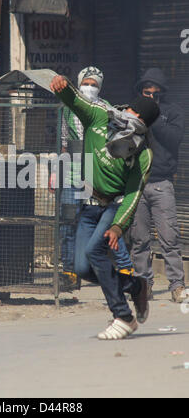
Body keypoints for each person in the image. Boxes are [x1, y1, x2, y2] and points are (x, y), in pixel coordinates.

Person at [50, 73, 160, 340]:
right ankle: (135, 286)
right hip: (88, 203)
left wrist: (117, 226)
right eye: (128, 109)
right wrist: (63, 87)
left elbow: (133, 194)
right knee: (82, 267)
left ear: (142, 124)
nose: (127, 115)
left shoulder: (142, 154)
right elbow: (77, 102)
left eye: (134, 114)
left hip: (114, 206)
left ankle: (122, 316)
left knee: (95, 253)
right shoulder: (99, 118)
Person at [59, 67, 134, 292]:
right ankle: (70, 272)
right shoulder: (67, 109)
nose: (89, 87)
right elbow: (64, 142)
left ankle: (125, 270)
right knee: (68, 224)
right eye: (86, 83)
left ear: (99, 87)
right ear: (79, 83)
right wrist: (58, 172)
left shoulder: (107, 109)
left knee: (106, 224)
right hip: (73, 174)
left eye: (94, 84)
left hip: (97, 175)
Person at [130, 68, 188, 303]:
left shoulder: (173, 112)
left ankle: (177, 286)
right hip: (137, 185)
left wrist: (152, 117)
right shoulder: (131, 113)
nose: (152, 98)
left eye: (156, 94)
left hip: (162, 184)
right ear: (141, 92)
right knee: (139, 240)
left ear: (162, 94)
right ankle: (144, 285)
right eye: (147, 94)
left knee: (169, 239)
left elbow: (175, 139)